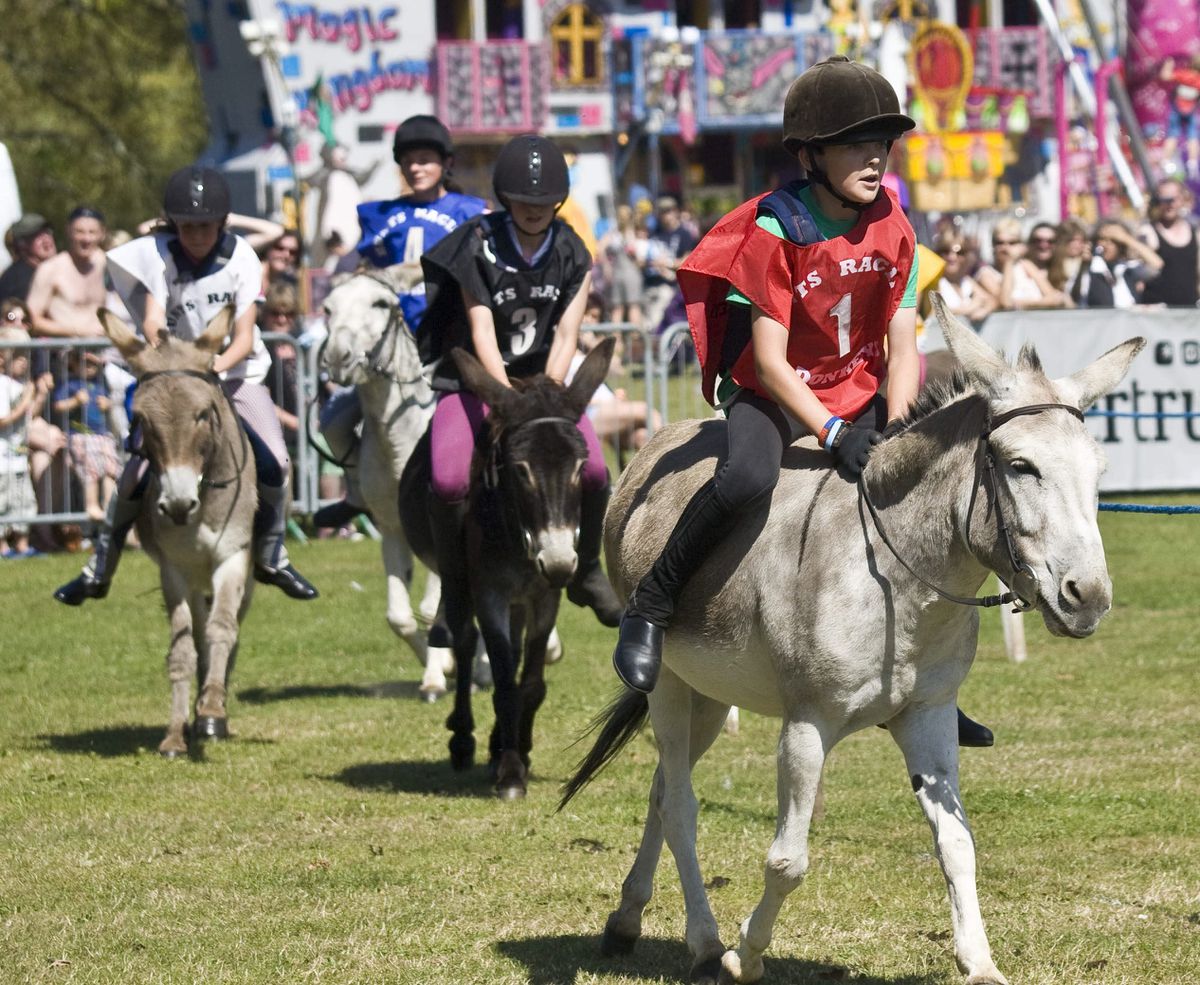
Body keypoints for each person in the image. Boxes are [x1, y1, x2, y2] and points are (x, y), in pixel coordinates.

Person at [609, 56, 992, 746]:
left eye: (882, 144)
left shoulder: (897, 227)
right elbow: (767, 359)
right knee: (748, 476)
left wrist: (898, 431)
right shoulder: (778, 229)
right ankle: (652, 602)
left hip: (862, 388)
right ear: (812, 155)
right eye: (856, 144)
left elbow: (903, 347)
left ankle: (925, 681)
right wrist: (833, 430)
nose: (875, 158)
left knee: (925, 493)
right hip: (781, 394)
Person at [54, 165, 318, 605]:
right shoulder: (158, 255)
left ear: (222, 223)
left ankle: (273, 556)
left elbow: (246, 338)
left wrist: (211, 364)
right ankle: (97, 570)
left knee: (277, 462)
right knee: (134, 473)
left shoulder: (242, 259)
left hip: (234, 375)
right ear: (175, 224)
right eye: (188, 225)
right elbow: (154, 319)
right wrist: (172, 359)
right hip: (177, 379)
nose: (196, 234)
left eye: (206, 225)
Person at [418, 133, 624, 628]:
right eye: (524, 200)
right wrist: (507, 399)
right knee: (448, 479)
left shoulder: (574, 250)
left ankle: (587, 569)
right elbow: (481, 326)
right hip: (476, 381)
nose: (534, 208)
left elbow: (568, 334)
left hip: (545, 388)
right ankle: (454, 589)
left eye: (544, 200)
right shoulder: (477, 244)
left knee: (595, 472)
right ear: (505, 198)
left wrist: (544, 401)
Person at [312, 114, 488, 531]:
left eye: (425, 159)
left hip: (447, 349)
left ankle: (485, 494)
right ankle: (359, 491)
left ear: (445, 163)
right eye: (408, 160)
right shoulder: (378, 215)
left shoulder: (471, 211)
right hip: (390, 355)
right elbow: (360, 268)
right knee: (333, 421)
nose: (415, 168)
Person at [51, 348, 119, 523]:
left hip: (102, 435)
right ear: (73, 365)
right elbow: (58, 406)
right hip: (80, 436)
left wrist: (108, 404)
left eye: (92, 363)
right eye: (84, 363)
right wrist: (75, 401)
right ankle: (92, 505)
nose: (89, 367)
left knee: (110, 469)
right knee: (91, 470)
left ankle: (109, 505)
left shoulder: (101, 383)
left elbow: (110, 403)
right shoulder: (70, 384)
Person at [0, 322, 47, 557]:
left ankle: (22, 544)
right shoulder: (1, 385)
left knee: (25, 502)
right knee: (2, 502)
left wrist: (39, 396)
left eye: (25, 356)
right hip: (2, 459)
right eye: (18, 356)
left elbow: (30, 416)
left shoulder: (19, 384)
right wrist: (27, 398)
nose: (24, 361)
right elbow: (3, 420)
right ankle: (3, 546)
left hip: (18, 457)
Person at [26, 207, 109, 339]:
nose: (86, 239)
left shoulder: (109, 266)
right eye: (79, 232)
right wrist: (78, 331)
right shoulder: (50, 269)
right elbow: (31, 320)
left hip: (107, 354)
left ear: (102, 234)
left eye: (92, 232)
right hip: (65, 355)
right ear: (68, 231)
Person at [976, 218, 1066, 311]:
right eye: (1000, 243)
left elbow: (1054, 298)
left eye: (1012, 243)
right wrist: (1009, 262)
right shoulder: (985, 274)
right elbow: (1006, 302)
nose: (1005, 248)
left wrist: (1023, 303)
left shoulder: (1026, 265)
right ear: (993, 245)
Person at [1071, 219, 1163, 309]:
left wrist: (1125, 238)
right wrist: (1084, 264)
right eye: (1103, 239)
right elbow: (1075, 296)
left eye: (1113, 241)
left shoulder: (1127, 268)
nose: (1106, 245)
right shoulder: (1090, 268)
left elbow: (1157, 264)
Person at [1137, 179, 1200, 306]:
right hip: (1158, 312)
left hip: (1189, 311)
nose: (1169, 205)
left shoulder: (1195, 232)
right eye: (1164, 200)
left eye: (1173, 199)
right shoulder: (1148, 231)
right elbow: (1142, 271)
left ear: (1183, 199)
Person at [640, 196, 697, 333]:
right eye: (662, 211)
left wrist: (667, 263)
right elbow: (643, 259)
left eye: (668, 211)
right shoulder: (654, 233)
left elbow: (688, 260)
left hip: (671, 288)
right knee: (649, 327)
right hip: (650, 285)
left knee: (662, 327)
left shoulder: (685, 234)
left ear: (676, 211)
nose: (666, 215)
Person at [929, 230, 996, 323]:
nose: (952, 257)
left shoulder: (966, 281)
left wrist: (984, 310)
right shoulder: (935, 282)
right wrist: (971, 308)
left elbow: (992, 300)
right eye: (945, 251)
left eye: (960, 252)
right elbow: (933, 312)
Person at [0, 214, 56, 302]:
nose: (46, 239)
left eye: (47, 232)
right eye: (38, 235)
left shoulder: (63, 267)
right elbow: (11, 314)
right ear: (22, 243)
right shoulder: (15, 281)